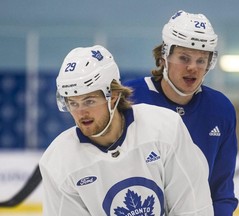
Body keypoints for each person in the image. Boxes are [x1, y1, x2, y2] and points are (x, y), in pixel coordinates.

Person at [39, 44, 214, 215]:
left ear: (113, 97)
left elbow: (193, 207)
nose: (80, 112)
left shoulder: (165, 127)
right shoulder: (58, 162)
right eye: (73, 103)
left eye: (89, 101)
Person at [124, 10, 239, 216]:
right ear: (164, 57)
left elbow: (221, 191)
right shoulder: (129, 99)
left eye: (201, 60)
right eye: (184, 58)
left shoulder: (220, 109)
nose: (192, 68)